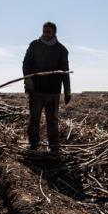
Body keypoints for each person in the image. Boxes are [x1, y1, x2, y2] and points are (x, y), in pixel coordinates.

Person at [22, 21, 71, 152]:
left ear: (54, 32)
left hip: (53, 92)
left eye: (48, 32)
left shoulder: (62, 50)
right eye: (44, 31)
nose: (45, 34)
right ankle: (33, 146)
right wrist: (28, 81)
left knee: (52, 122)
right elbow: (26, 64)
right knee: (34, 120)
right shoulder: (34, 45)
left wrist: (67, 91)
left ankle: (54, 147)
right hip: (36, 91)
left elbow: (65, 72)